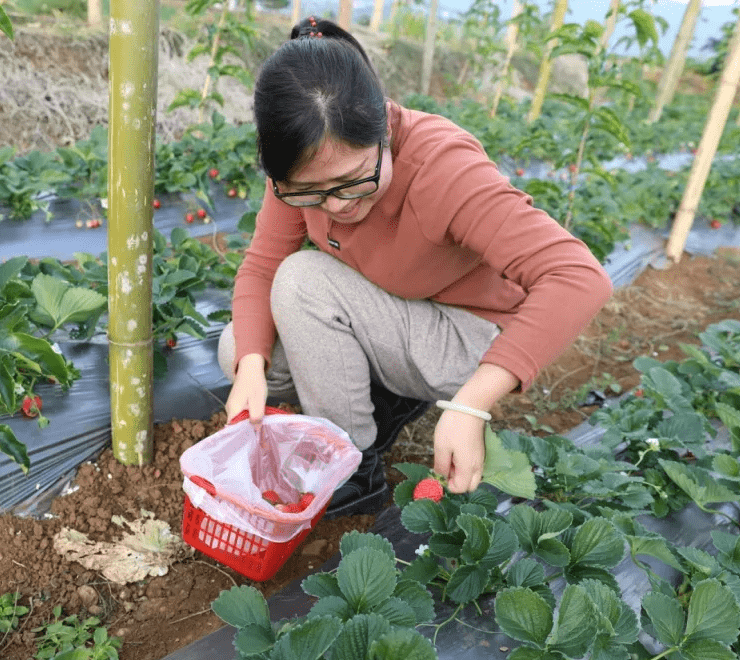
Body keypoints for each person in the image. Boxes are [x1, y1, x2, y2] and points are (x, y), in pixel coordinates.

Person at [217, 17, 613, 517]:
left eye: (352, 183)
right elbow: (259, 267)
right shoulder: (301, 176)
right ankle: (381, 396)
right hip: (397, 312)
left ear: (383, 131)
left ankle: (354, 467)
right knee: (238, 347)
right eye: (310, 193)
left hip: (468, 335)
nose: (334, 206)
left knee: (303, 283)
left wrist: (472, 405)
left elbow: (578, 276)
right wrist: (251, 368)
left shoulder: (442, 166)